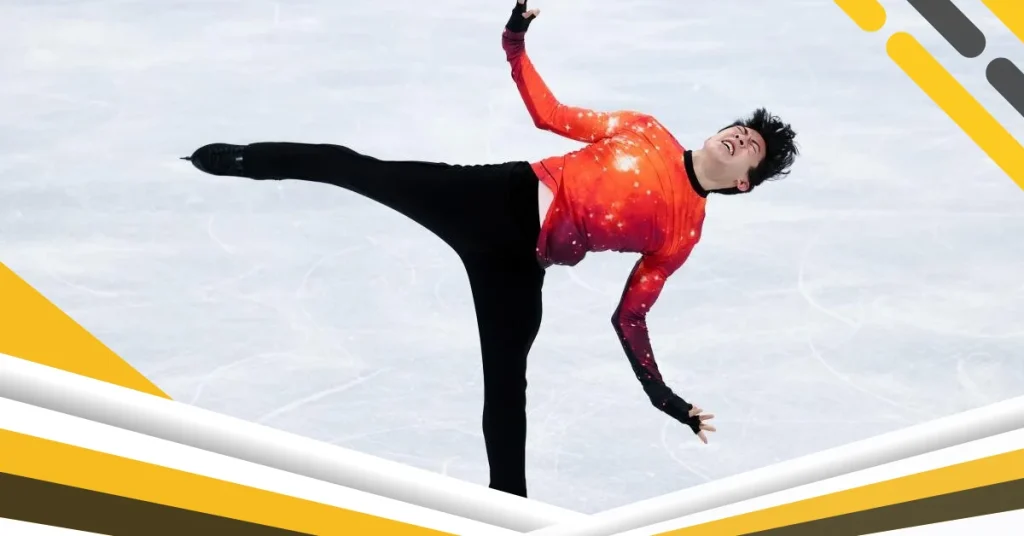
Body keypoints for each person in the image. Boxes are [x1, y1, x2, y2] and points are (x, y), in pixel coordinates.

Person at [182, 0, 798, 498]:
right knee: (359, 169)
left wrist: (665, 399)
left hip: (521, 266)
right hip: (490, 196)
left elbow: (629, 317)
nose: (740, 137)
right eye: (741, 129)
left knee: (506, 388)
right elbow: (550, 114)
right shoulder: (645, 129)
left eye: (752, 148)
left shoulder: (683, 232)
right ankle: (239, 159)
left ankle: (509, 509)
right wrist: (515, 42)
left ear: (744, 182)